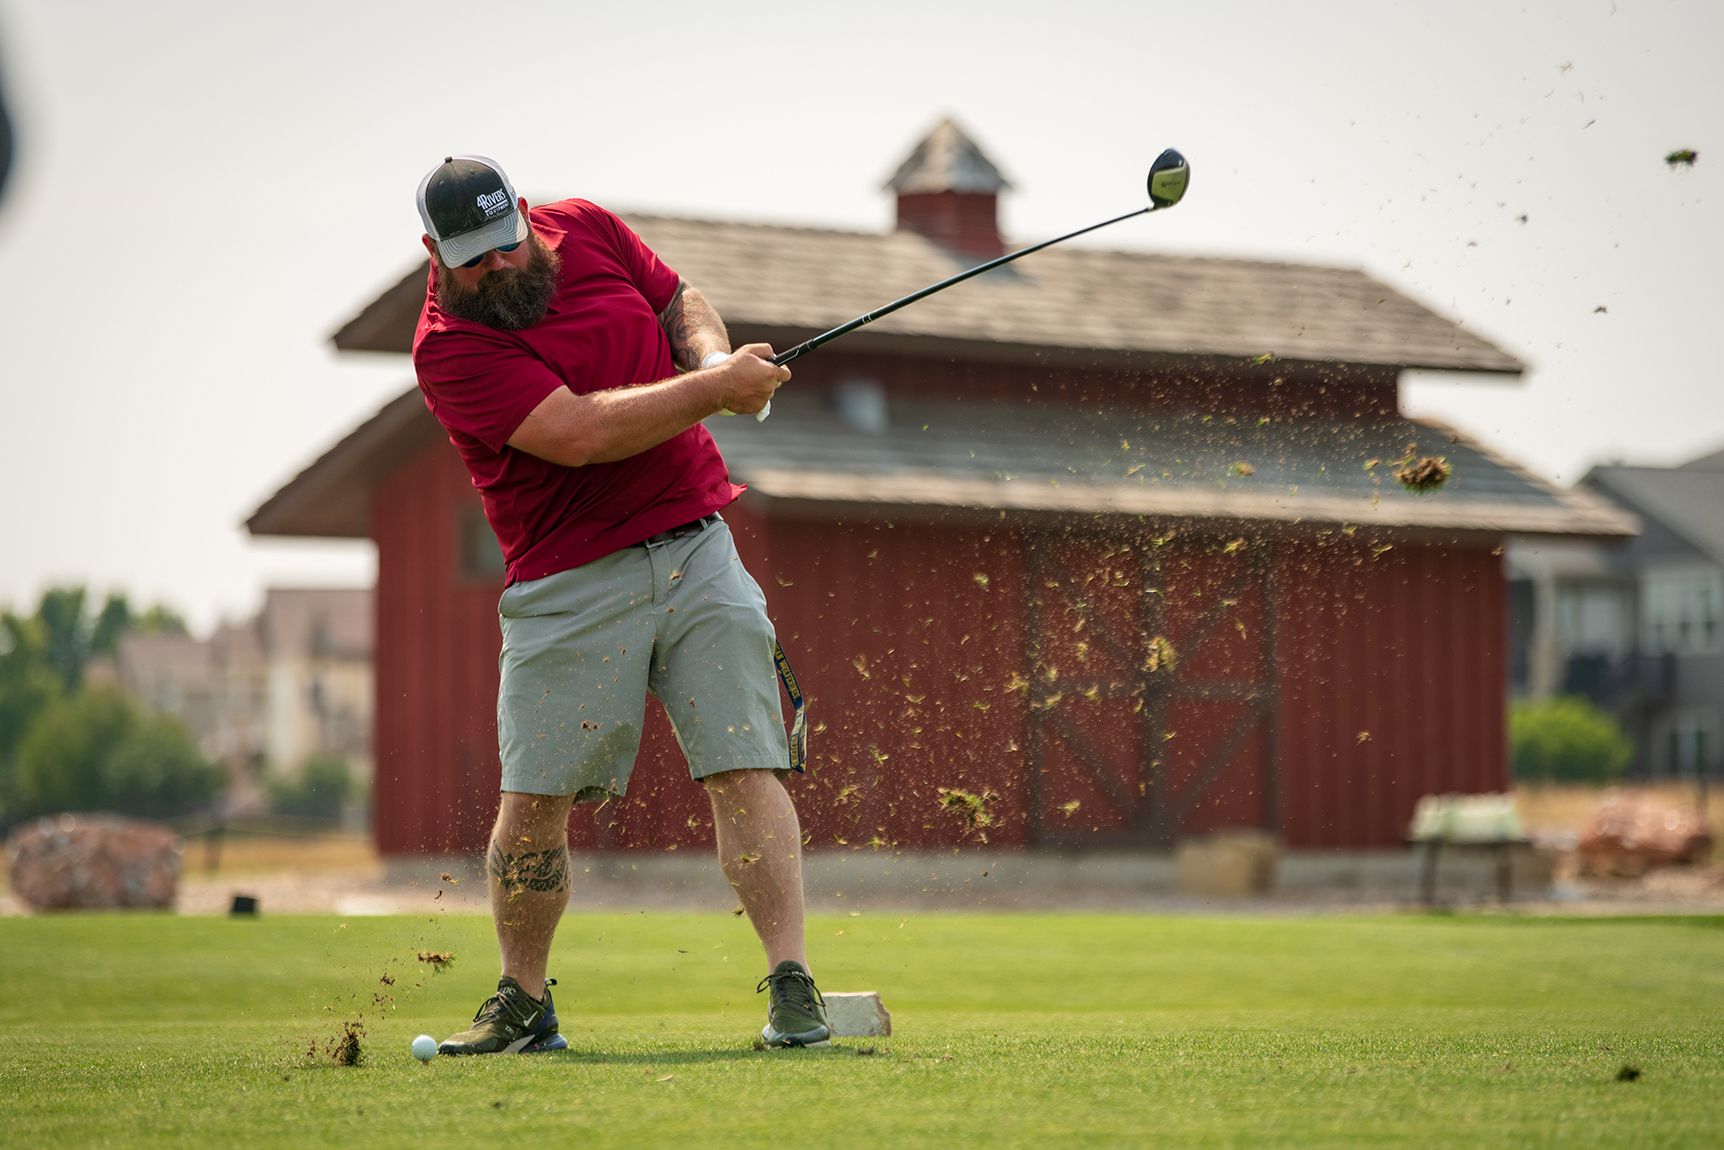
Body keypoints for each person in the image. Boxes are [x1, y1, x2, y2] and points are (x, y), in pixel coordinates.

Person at [409, 155, 827, 1053]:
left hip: (697, 541)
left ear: (524, 215)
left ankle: (794, 985)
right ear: (434, 255)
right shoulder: (447, 347)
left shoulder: (588, 226)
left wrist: (713, 357)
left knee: (745, 762)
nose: (498, 268)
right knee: (536, 798)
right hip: (568, 577)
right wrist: (716, 390)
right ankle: (525, 1002)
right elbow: (580, 433)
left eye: (506, 245)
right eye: (473, 259)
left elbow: (680, 303)